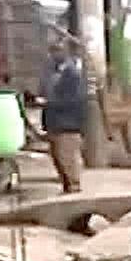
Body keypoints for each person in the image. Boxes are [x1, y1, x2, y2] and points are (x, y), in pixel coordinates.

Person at [41, 41, 87, 193]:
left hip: (68, 122)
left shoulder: (73, 75)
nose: (53, 55)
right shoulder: (54, 73)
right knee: (58, 156)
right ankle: (68, 184)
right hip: (55, 122)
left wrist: (51, 102)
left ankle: (74, 184)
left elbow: (74, 100)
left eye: (57, 51)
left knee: (67, 155)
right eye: (52, 51)